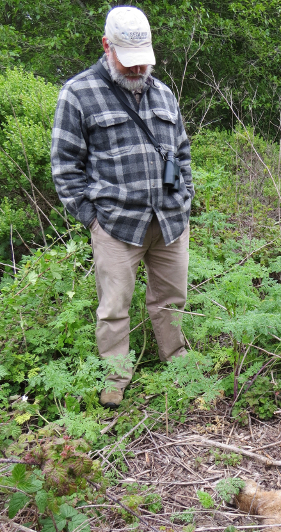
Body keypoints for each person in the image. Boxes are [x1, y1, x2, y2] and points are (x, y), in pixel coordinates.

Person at [51, 6, 194, 409]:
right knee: (114, 307)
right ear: (106, 46)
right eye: (128, 61)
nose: (137, 69)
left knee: (172, 299)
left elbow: (181, 153)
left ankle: (178, 361)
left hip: (169, 222)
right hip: (116, 225)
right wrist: (91, 218)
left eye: (143, 60)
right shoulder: (78, 93)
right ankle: (116, 375)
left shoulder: (164, 92)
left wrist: (185, 199)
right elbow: (65, 166)